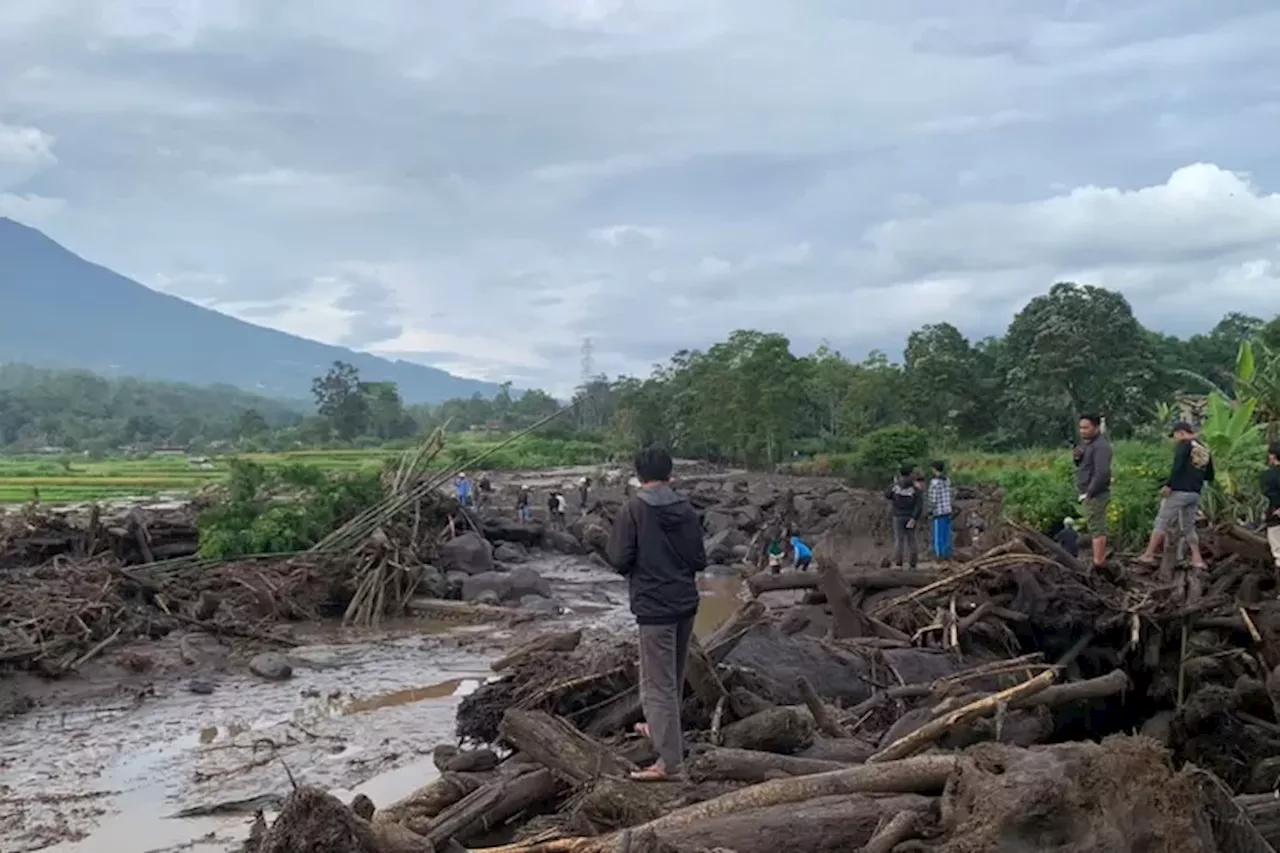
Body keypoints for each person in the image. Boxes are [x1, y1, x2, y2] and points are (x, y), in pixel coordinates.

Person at [606, 446, 706, 781]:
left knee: (656, 684)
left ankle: (670, 764)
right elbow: (699, 560)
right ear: (669, 473)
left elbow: (619, 559)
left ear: (638, 473)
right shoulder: (686, 507)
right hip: (685, 602)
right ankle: (662, 732)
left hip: (654, 606)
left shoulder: (633, 509)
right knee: (672, 679)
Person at [1138, 421, 1215, 569]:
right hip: (1195, 493)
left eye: (1174, 436)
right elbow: (1210, 475)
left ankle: (1148, 554)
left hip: (1179, 491)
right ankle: (1197, 559)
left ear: (1181, 432)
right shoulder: (1204, 448)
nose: (1174, 440)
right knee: (1188, 527)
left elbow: (1177, 466)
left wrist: (1169, 485)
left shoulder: (1184, 445)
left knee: (1162, 521)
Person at [1073, 414, 1113, 570]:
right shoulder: (1087, 445)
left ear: (1096, 428)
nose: (1082, 431)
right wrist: (1077, 458)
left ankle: (1099, 562)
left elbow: (1102, 473)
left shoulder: (1101, 446)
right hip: (1088, 492)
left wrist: (1090, 492)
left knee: (1097, 527)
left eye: (1086, 427)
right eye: (1081, 427)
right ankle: (1098, 559)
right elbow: (1085, 466)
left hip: (1095, 494)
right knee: (1093, 525)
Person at [885, 465, 924, 568]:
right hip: (910, 516)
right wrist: (914, 518)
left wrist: (893, 484)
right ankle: (913, 562)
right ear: (910, 473)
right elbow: (919, 505)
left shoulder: (895, 486)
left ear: (900, 474)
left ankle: (899, 562)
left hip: (898, 516)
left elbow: (887, 495)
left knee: (899, 540)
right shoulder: (915, 487)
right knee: (912, 540)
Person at [927, 460, 954, 562]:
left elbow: (933, 500)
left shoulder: (934, 482)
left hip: (938, 512)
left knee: (938, 537)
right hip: (948, 510)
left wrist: (929, 510)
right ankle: (948, 555)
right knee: (947, 535)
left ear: (934, 469)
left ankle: (939, 556)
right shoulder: (947, 480)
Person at [1265, 443, 1280, 571]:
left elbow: (1270, 493)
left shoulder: (1270, 475)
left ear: (1274, 456)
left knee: (1279, 553)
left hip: (1276, 516)